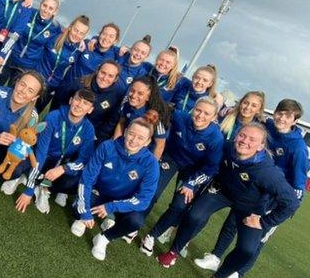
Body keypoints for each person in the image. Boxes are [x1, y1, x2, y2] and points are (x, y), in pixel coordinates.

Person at [156, 123, 300, 278]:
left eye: (252, 139)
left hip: (250, 206)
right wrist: (191, 181)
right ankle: (173, 251)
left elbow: (292, 202)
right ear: (236, 135)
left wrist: (264, 222)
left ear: (260, 146)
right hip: (222, 191)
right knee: (194, 215)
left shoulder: (268, 173)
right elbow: (208, 162)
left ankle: (220, 275)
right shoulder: (227, 147)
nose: (245, 141)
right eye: (242, 135)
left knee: (247, 250)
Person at [194, 99, 308, 276]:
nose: (282, 118)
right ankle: (215, 257)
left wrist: (283, 209)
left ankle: (238, 273)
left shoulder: (297, 147)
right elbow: (245, 117)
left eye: (288, 116)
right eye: (280, 113)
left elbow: (298, 183)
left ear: (295, 121)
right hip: (252, 188)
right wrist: (226, 109)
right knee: (232, 221)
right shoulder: (267, 126)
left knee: (258, 236)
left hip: (274, 198)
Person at [139, 97, 224, 257]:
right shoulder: (180, 116)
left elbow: (211, 167)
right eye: (198, 110)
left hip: (193, 171)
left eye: (207, 113)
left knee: (179, 205)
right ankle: (134, 223)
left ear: (214, 117)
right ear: (194, 109)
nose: (200, 115)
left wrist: (191, 184)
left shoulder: (216, 138)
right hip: (171, 158)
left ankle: (152, 236)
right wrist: (159, 138)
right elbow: (161, 114)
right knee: (152, 190)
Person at [70, 118, 160, 261]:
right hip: (99, 192)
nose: (134, 140)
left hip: (123, 202)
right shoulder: (107, 146)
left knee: (136, 221)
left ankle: (103, 238)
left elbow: (144, 200)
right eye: (131, 134)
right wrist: (85, 210)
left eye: (141, 137)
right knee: (77, 209)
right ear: (125, 132)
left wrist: (112, 206)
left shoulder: (151, 164)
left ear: (148, 142)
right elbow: (87, 179)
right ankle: (84, 218)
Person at [11, 88, 96, 214]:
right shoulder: (53, 117)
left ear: (90, 110)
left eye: (85, 103)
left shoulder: (88, 129)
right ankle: (29, 179)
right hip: (39, 155)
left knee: (73, 183)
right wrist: (28, 191)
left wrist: (63, 169)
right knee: (16, 170)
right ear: (71, 100)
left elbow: (83, 160)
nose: (79, 105)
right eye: (78, 100)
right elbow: (41, 154)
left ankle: (43, 188)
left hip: (60, 163)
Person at [0, 0, 63, 87]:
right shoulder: (29, 12)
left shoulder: (55, 28)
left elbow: (67, 35)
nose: (46, 10)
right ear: (40, 4)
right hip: (11, 56)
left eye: (51, 8)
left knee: (14, 91)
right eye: (44, 5)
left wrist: (84, 42)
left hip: (27, 65)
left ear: (55, 11)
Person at [51, 60, 124, 142]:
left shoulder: (117, 94)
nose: (104, 78)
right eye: (103, 73)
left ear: (115, 79)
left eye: (110, 76)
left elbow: (111, 121)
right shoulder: (80, 84)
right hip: (66, 126)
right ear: (97, 71)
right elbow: (59, 102)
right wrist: (57, 123)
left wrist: (98, 137)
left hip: (90, 134)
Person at [35, 15, 90, 111]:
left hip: (52, 86)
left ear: (84, 36)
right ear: (70, 27)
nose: (77, 35)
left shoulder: (79, 50)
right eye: (75, 30)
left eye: (81, 33)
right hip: (37, 79)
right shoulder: (54, 36)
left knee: (34, 114)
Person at [113, 75, 171, 161]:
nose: (133, 95)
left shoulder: (156, 115)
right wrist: (114, 146)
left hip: (143, 156)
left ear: (148, 97)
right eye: (132, 91)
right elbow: (121, 123)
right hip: (126, 145)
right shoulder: (126, 103)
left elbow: (160, 145)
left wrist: (150, 166)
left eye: (140, 93)